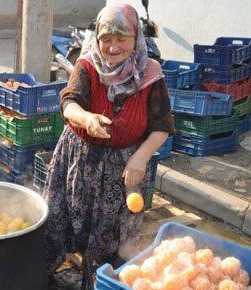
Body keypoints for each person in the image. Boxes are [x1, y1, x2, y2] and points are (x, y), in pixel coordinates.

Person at [43, 3, 175, 289]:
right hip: (81, 158)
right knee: (60, 218)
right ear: (98, 39)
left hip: (125, 167)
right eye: (106, 40)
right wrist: (87, 118)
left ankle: (102, 283)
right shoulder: (88, 65)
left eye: (121, 39)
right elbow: (69, 102)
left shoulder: (151, 73)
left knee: (111, 234)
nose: (113, 48)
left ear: (135, 37)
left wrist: (141, 158)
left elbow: (162, 125)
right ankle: (45, 271)